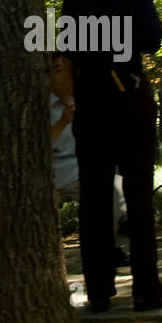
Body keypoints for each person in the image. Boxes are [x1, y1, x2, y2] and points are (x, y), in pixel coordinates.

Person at [59, 0, 162, 314]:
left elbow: (66, 45)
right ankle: (146, 289)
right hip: (128, 94)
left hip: (89, 97)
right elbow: (150, 40)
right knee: (137, 194)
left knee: (94, 197)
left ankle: (98, 291)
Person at [49, 52, 129, 270]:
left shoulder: (84, 98)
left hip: (84, 163)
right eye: (57, 71)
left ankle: (111, 244)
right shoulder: (44, 106)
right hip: (57, 170)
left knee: (116, 183)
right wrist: (63, 122)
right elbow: (39, 146)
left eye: (66, 69)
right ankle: (110, 243)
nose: (63, 77)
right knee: (107, 186)